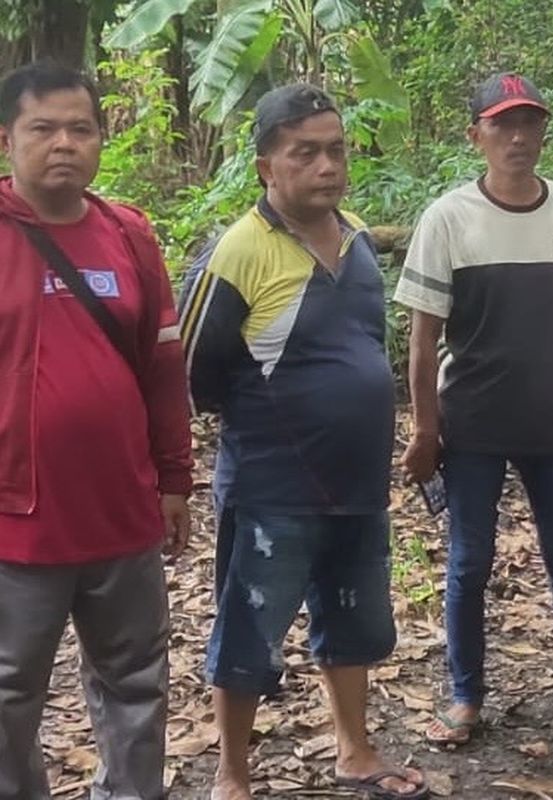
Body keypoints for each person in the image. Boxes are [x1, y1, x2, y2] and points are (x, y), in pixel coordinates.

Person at [178, 84, 427, 800]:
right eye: (305, 153)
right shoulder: (239, 251)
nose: (327, 165)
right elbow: (194, 369)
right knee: (250, 627)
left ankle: (354, 750)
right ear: (266, 167)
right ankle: (232, 775)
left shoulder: (354, 240)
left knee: (353, 619)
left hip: (356, 485)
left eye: (336, 150)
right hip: (271, 489)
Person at [395, 72, 553, 747]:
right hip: (469, 422)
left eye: (529, 122)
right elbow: (423, 337)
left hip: (551, 421)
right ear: (477, 136)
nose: (519, 137)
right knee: (470, 562)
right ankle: (466, 696)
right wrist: (425, 428)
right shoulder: (448, 218)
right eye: (503, 124)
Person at [0, 62, 193, 800]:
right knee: (10, 694)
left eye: (81, 128)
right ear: (8, 139)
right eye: (43, 128)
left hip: (122, 512)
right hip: (18, 522)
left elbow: (162, 369)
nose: (64, 144)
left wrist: (174, 478)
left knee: (135, 682)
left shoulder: (128, 236)